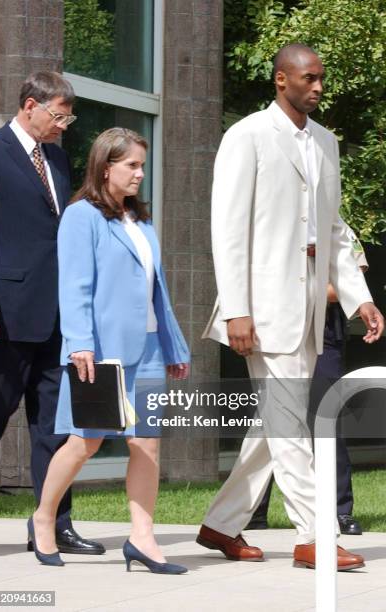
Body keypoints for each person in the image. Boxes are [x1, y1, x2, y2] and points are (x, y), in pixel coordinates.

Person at [197, 43, 384, 570]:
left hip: (308, 308)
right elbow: (227, 230)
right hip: (261, 308)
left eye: (322, 78)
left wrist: (359, 298)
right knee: (290, 424)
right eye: (309, 77)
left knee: (272, 423)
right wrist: (236, 308)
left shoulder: (325, 142)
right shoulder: (247, 136)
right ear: (282, 79)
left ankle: (220, 523)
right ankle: (314, 535)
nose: (319, 86)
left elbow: (333, 229)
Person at [28, 127, 190, 572]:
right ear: (106, 167)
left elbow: (157, 291)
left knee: (147, 446)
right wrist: (79, 343)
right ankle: (44, 518)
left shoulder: (141, 221)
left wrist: (174, 345)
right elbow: (74, 285)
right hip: (102, 351)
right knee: (86, 442)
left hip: (152, 347)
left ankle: (142, 539)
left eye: (142, 164)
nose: (140, 174)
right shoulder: (82, 216)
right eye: (132, 165)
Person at [0, 71, 103, 555]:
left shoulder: (56, 156)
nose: (64, 126)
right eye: (58, 115)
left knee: (54, 426)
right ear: (30, 105)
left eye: (68, 117)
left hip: (56, 316)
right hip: (6, 315)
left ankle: (53, 524)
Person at [245, 228, 369, 535]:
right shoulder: (274, 226)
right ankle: (252, 512)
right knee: (268, 418)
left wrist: (294, 286)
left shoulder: (336, 228)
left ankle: (339, 511)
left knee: (326, 415)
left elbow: (346, 284)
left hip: (322, 330)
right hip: (277, 328)